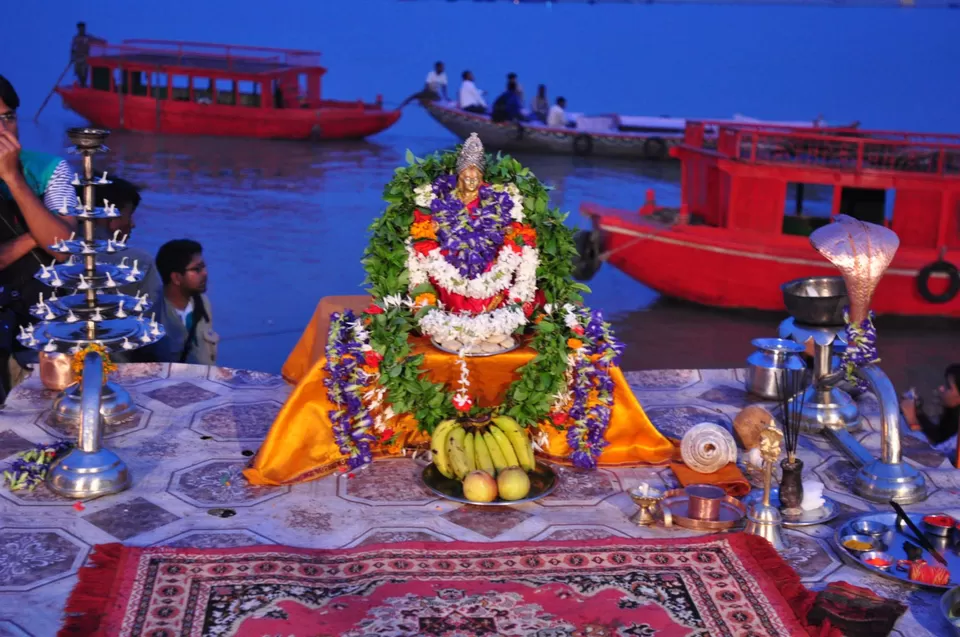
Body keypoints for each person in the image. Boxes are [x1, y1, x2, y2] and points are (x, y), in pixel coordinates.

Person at [0, 75, 78, 392]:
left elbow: (64, 248)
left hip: (44, 322)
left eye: (8, 117)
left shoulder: (51, 169)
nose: (4, 130)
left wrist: (13, 177)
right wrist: (40, 230)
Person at [75, 177, 162, 309]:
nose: (132, 224)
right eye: (129, 215)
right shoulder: (139, 262)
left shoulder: (51, 251)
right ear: (109, 217)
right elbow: (155, 319)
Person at [154, 239, 218, 365]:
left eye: (204, 267)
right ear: (176, 278)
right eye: (197, 269)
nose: (205, 273)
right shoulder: (152, 313)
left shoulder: (203, 304)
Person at [900, 364, 960, 457]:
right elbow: (938, 437)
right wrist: (918, 413)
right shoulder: (952, 419)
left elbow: (932, 459)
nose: (941, 388)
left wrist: (912, 421)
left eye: (948, 387)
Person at [69, 22, 105, 88]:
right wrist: (71, 58)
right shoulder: (76, 38)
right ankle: (82, 85)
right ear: (78, 29)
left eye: (83, 28)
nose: (82, 30)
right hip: (77, 58)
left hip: (85, 58)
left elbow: (96, 40)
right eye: (80, 28)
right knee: (78, 72)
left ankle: (83, 85)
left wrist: (102, 42)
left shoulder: (88, 38)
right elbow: (73, 49)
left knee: (84, 72)